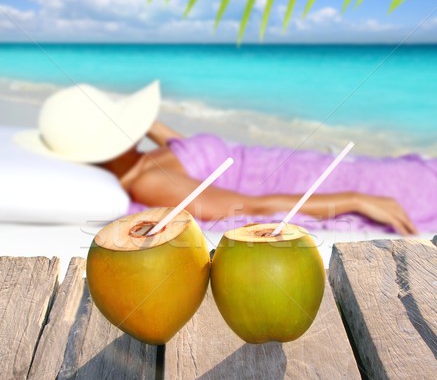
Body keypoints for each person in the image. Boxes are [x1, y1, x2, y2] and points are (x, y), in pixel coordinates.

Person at [16, 82, 435, 235]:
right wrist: (354, 200)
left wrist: (140, 122)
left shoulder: (146, 157)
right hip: (314, 183)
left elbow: (188, 148)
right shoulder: (151, 183)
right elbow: (249, 208)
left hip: (303, 162)